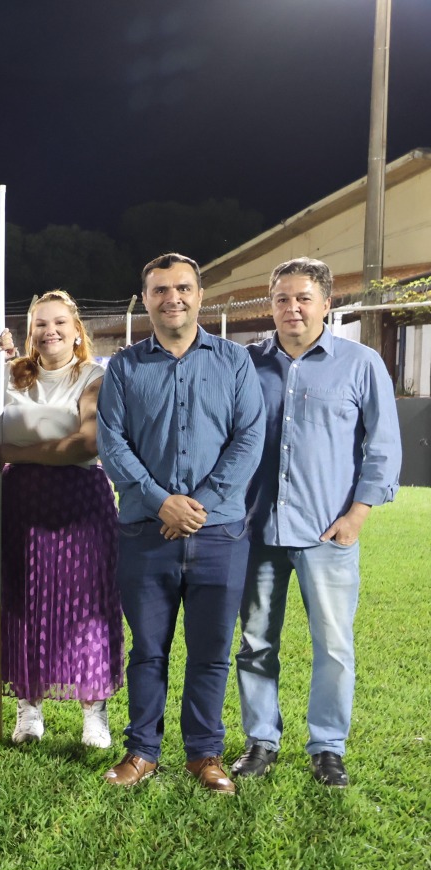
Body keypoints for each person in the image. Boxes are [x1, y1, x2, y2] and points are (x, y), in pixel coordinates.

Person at [96, 252, 264, 793]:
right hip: (147, 531)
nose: (173, 298)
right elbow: (112, 444)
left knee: (212, 651)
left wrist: (198, 506)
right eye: (161, 289)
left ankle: (204, 754)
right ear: (145, 299)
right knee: (147, 650)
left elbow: (249, 440)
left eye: (183, 288)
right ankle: (142, 751)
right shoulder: (123, 367)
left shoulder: (235, 362)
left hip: (220, 533)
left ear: (200, 294)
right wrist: (160, 500)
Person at [233, 257, 400, 788]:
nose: (293, 308)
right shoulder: (246, 364)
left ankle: (327, 747)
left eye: (304, 298)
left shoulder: (361, 362)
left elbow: (384, 445)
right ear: (272, 304)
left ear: (327, 303)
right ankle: (261, 740)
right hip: (257, 530)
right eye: (282, 298)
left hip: (329, 532)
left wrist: (358, 514)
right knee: (256, 642)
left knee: (333, 644)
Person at [0, 292, 122, 748]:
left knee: (87, 608)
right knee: (19, 600)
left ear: (78, 330)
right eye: (40, 323)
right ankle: (28, 708)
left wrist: (15, 453)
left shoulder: (96, 377)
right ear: (29, 331)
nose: (50, 331)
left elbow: (86, 444)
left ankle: (93, 712)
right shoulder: (10, 377)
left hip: (78, 503)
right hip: (16, 503)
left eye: (60, 322)